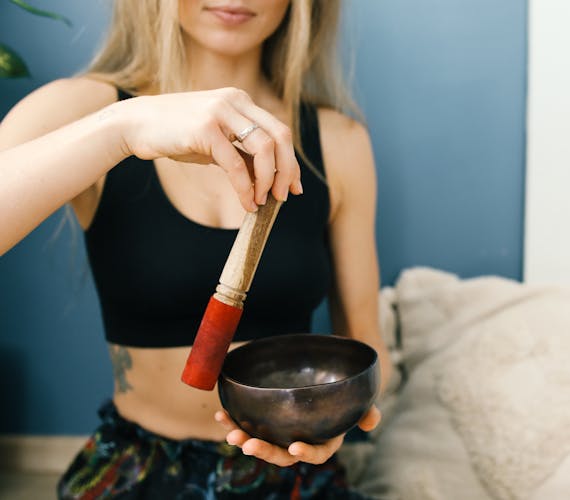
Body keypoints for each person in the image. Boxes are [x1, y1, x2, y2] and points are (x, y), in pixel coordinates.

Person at [0, 0, 392, 497]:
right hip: (136, 471)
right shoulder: (83, 108)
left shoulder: (340, 140)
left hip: (291, 473)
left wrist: (340, 417)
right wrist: (123, 129)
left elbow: (367, 342)